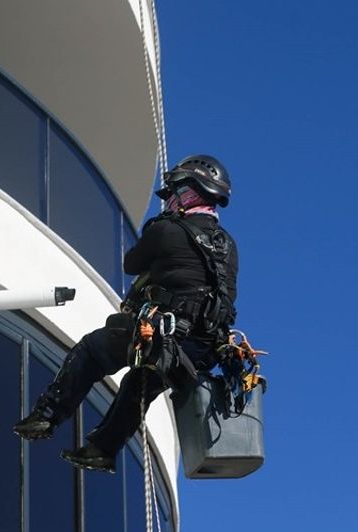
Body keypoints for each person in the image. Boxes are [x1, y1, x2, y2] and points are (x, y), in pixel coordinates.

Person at [12, 154, 240, 472]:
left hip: (165, 333)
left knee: (92, 351)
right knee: (140, 384)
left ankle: (46, 416)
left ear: (189, 192)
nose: (170, 201)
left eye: (174, 193)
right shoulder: (228, 246)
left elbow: (131, 264)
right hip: (203, 349)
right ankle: (101, 450)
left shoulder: (166, 230)